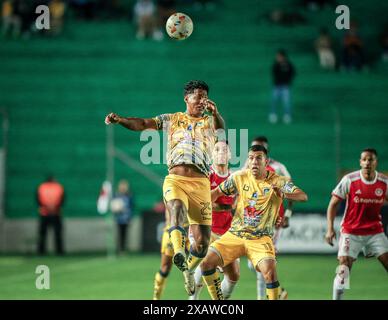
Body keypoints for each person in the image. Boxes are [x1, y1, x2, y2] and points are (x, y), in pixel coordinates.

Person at [105, 80, 225, 296]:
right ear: (186, 98)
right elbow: (142, 123)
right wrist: (120, 120)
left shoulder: (209, 121)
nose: (202, 100)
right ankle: (178, 252)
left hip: (201, 183)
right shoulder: (171, 119)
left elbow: (221, 132)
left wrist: (216, 113)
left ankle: (187, 268)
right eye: (198, 96)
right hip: (176, 179)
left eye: (205, 96)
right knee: (176, 207)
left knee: (202, 245)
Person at [200, 145, 308, 300]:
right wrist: (197, 200)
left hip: (260, 238)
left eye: (258, 158)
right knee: (206, 264)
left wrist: (283, 194)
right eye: (251, 158)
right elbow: (215, 193)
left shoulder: (277, 181)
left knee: (270, 273)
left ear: (266, 161)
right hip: (235, 235)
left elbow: (302, 196)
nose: (254, 162)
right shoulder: (239, 177)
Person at [325, 148, 388, 300]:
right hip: (351, 232)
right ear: (360, 162)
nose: (367, 163)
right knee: (343, 272)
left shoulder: (384, 182)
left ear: (376, 162)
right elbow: (333, 204)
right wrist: (329, 229)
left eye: (370, 159)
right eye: (364, 159)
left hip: (375, 232)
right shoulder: (349, 180)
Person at [189, 140, 237, 300]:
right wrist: (225, 206)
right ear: (212, 154)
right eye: (217, 149)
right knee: (205, 263)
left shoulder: (235, 178)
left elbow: (238, 204)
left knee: (234, 275)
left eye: (225, 149)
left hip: (226, 231)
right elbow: (200, 201)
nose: (221, 152)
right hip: (204, 228)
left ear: (230, 154)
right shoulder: (205, 175)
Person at [246, 136, 293, 299]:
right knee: (251, 264)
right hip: (252, 221)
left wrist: (287, 213)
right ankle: (278, 291)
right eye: (254, 148)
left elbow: (290, 190)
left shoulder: (278, 168)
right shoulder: (247, 168)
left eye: (260, 148)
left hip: (273, 220)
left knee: (262, 259)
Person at [153, 204, 190, 300]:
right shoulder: (172, 189)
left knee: (199, 262)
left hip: (190, 230)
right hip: (172, 231)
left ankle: (193, 296)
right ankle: (156, 298)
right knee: (165, 267)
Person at [36, 175, 65, 255]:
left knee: (42, 234)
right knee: (58, 234)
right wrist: (54, 207)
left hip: (44, 213)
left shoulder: (42, 187)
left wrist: (46, 206)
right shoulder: (58, 187)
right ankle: (59, 251)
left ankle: (41, 251)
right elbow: (62, 199)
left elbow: (38, 199)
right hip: (56, 213)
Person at [269, 49, 296, 124]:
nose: (277, 57)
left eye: (279, 56)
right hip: (277, 86)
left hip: (285, 86)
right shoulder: (276, 64)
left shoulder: (289, 65)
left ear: (283, 56)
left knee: (286, 102)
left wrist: (288, 81)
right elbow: (273, 73)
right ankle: (273, 115)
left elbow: (292, 73)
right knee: (274, 101)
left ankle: (287, 115)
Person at [110, 179, 134, 254]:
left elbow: (131, 206)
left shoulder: (129, 195)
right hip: (119, 218)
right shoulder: (116, 195)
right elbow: (113, 204)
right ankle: (119, 249)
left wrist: (129, 216)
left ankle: (124, 249)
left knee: (125, 234)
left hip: (126, 218)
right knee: (119, 234)